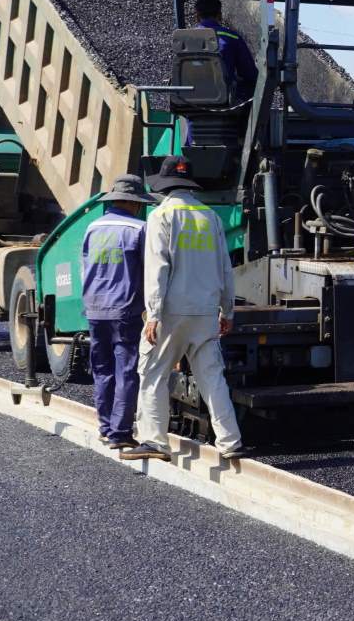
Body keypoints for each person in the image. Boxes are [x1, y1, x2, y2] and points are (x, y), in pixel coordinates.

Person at [121, 156, 244, 462]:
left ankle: (154, 441)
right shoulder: (210, 217)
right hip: (205, 311)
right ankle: (230, 441)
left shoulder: (161, 216)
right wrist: (227, 311)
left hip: (171, 313)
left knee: (152, 373)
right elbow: (225, 269)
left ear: (164, 186)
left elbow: (157, 269)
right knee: (212, 377)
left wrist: (153, 314)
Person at [81, 175, 156, 449]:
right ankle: (120, 433)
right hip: (125, 310)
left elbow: (85, 269)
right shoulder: (139, 229)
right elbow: (150, 273)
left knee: (102, 369)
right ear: (131, 202)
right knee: (126, 370)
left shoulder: (92, 228)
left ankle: (104, 426)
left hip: (94, 309)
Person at [194, 0, 258, 101]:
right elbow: (249, 74)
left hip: (191, 101)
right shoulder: (232, 37)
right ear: (220, 15)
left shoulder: (184, 38)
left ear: (197, 16)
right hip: (224, 102)